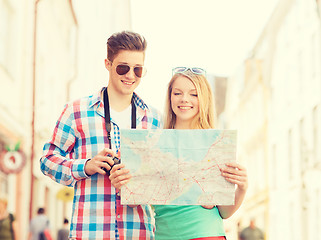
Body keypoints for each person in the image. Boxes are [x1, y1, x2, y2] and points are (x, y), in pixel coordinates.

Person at [40, 31, 162, 240]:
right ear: (108, 64)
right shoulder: (76, 111)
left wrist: (136, 183)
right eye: (123, 67)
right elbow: (47, 160)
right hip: (89, 233)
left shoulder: (154, 119)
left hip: (138, 234)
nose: (130, 75)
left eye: (138, 69)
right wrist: (85, 166)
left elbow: (162, 180)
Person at [153, 67, 248, 239]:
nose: (184, 99)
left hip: (205, 234)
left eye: (193, 94)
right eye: (177, 93)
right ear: (170, 97)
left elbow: (224, 212)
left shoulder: (217, 144)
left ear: (203, 99)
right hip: (164, 235)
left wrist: (242, 188)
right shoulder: (154, 143)